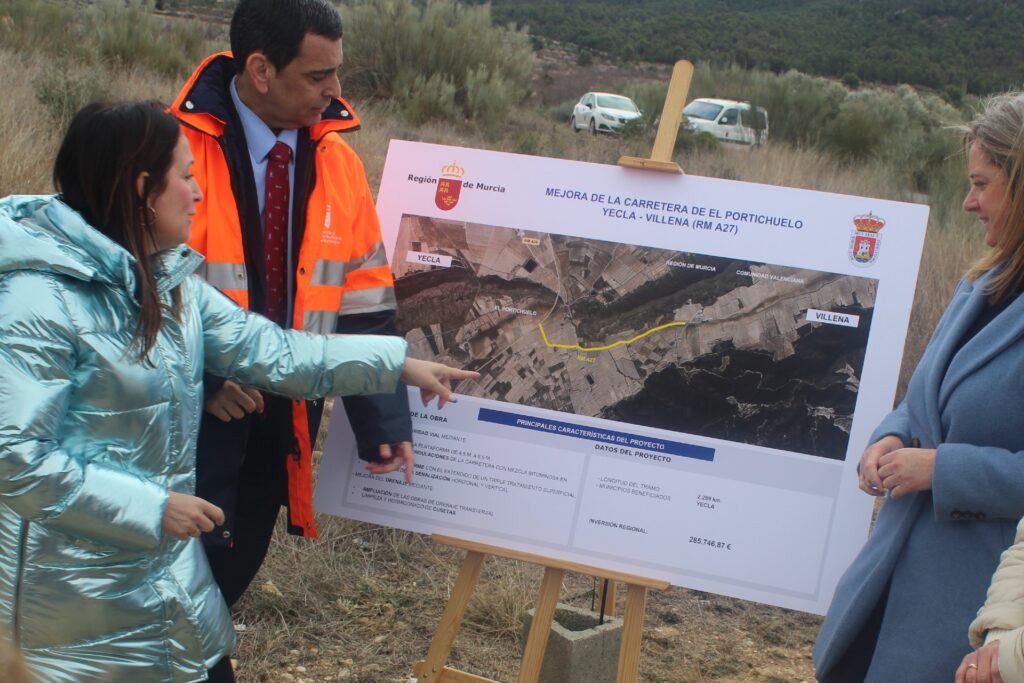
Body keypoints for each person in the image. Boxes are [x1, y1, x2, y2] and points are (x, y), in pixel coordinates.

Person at [0, 101, 475, 683]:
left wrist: (399, 364)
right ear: (143, 190)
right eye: (186, 176)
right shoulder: (36, 301)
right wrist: (152, 507)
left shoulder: (169, 283)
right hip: (69, 609)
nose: (199, 193)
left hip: (160, 577)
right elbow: (16, 458)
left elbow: (277, 353)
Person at [168, 0, 415, 607]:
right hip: (183, 421)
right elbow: (126, 287)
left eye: (337, 72)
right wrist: (203, 379)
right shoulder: (167, 151)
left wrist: (383, 421)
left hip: (278, 420)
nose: (334, 92)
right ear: (260, 70)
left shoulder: (341, 164)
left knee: (226, 583)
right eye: (317, 76)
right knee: (170, 595)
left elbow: (364, 301)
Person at [813, 91, 1024, 682]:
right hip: (884, 591)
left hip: (970, 617)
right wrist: (892, 435)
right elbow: (925, 396)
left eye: (981, 184)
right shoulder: (983, 283)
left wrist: (941, 470)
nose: (969, 202)